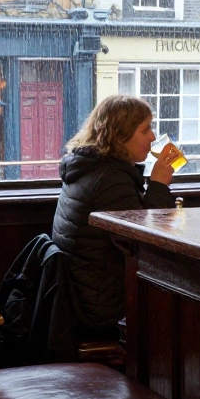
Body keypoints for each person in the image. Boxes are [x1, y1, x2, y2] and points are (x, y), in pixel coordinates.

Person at [52, 95, 178, 330]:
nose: (153, 137)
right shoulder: (110, 179)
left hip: (82, 295)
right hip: (103, 305)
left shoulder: (89, 166)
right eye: (145, 130)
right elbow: (142, 243)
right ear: (119, 135)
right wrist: (159, 185)